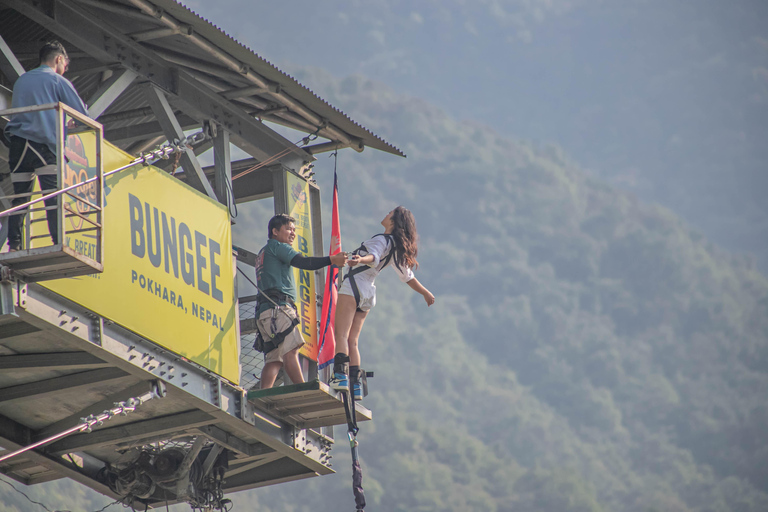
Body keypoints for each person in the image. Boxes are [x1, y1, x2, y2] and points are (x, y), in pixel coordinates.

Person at [330, 206, 435, 400]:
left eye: (389, 213)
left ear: (393, 221)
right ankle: (355, 386)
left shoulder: (381, 240)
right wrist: (425, 293)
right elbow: (408, 277)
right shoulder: (396, 248)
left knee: (341, 335)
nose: (386, 214)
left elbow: (374, 257)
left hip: (354, 285)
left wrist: (361, 258)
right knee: (353, 340)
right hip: (369, 293)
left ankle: (340, 377)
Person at [4, 41, 88, 251]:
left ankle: (14, 245)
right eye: (65, 66)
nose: (64, 70)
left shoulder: (22, 81)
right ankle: (58, 242)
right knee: (53, 197)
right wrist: (70, 123)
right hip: (44, 145)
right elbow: (84, 115)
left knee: (20, 199)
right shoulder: (57, 81)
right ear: (59, 59)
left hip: (18, 145)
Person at [255, 214, 348, 389]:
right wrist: (331, 260)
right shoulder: (278, 247)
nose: (292, 233)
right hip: (279, 310)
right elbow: (303, 262)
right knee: (291, 351)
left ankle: (264, 393)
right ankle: (303, 389)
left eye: (294, 230)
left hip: (265, 313)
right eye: (289, 229)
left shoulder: (263, 252)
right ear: (275, 231)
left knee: (274, 358)